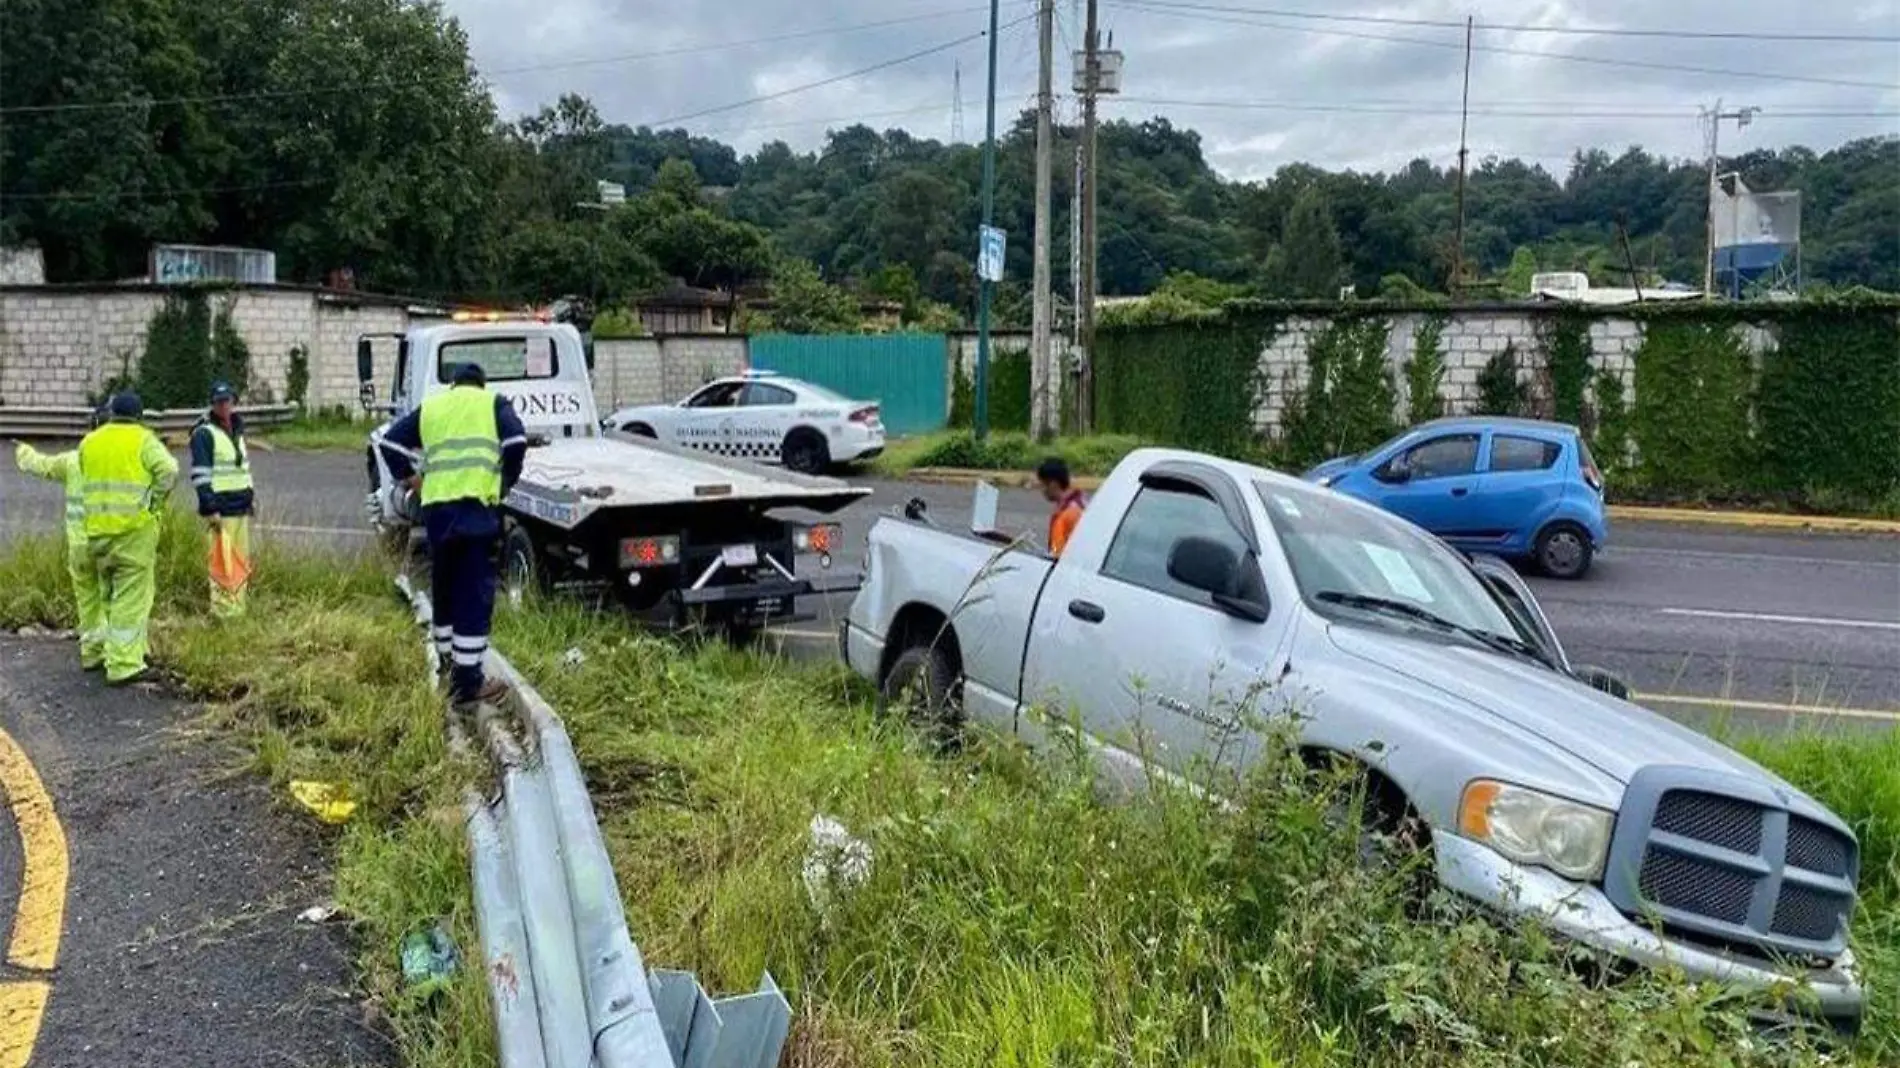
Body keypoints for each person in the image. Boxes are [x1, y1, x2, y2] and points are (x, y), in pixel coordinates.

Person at [376, 362, 527, 708]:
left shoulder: (433, 408)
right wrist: (505, 480)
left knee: (444, 584)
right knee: (473, 592)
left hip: (438, 513)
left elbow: (389, 442)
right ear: (481, 383)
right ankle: (468, 683)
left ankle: (446, 662)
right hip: (475, 510)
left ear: (454, 385)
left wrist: (411, 479)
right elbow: (516, 441)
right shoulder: (493, 404)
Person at [78, 392, 178, 686]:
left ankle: (115, 651)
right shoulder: (143, 439)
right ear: (139, 416)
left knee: (108, 595)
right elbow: (169, 470)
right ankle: (124, 664)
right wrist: (154, 503)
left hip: (96, 532)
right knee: (132, 598)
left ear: (111, 413)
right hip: (133, 532)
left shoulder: (90, 441)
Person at [12, 405, 110, 669]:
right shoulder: (122, 462)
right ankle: (118, 653)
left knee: (88, 601)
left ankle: (91, 653)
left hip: (80, 547)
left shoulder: (72, 460)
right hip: (112, 543)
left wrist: (23, 451)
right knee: (115, 599)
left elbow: (39, 465)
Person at [189, 381, 255, 618]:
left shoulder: (236, 430)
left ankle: (238, 609)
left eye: (227, 400)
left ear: (234, 401)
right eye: (219, 402)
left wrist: (250, 497)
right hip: (221, 510)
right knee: (222, 563)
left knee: (240, 562)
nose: (224, 406)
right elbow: (201, 476)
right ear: (212, 404)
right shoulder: (204, 434)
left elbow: (241, 470)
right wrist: (209, 508)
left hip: (240, 506)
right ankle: (223, 612)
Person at [1037, 457, 1087, 558]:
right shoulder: (1082, 504)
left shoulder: (1065, 516)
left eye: (1042, 485)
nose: (1041, 490)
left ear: (1053, 484)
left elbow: (1056, 553)